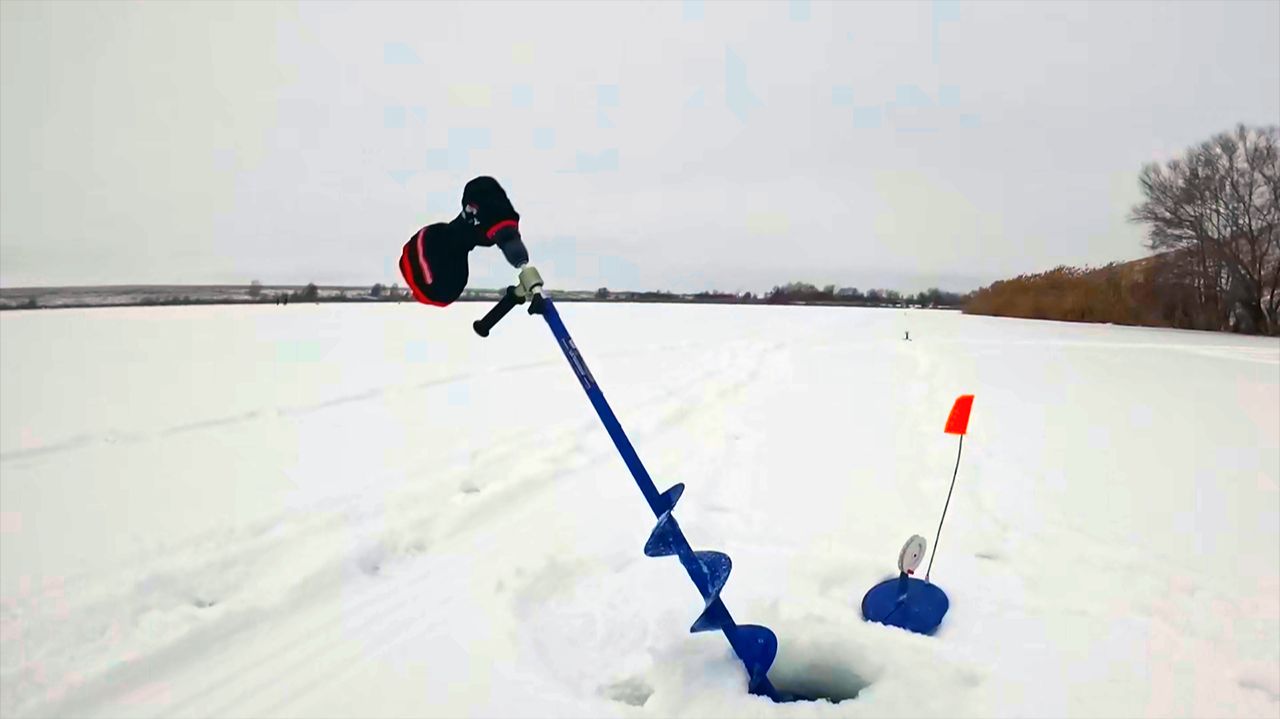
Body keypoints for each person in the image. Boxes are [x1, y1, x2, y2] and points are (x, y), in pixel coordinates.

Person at [398, 176, 533, 307]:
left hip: (434, 261)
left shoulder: (459, 235)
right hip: (431, 274)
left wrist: (506, 235)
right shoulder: (448, 279)